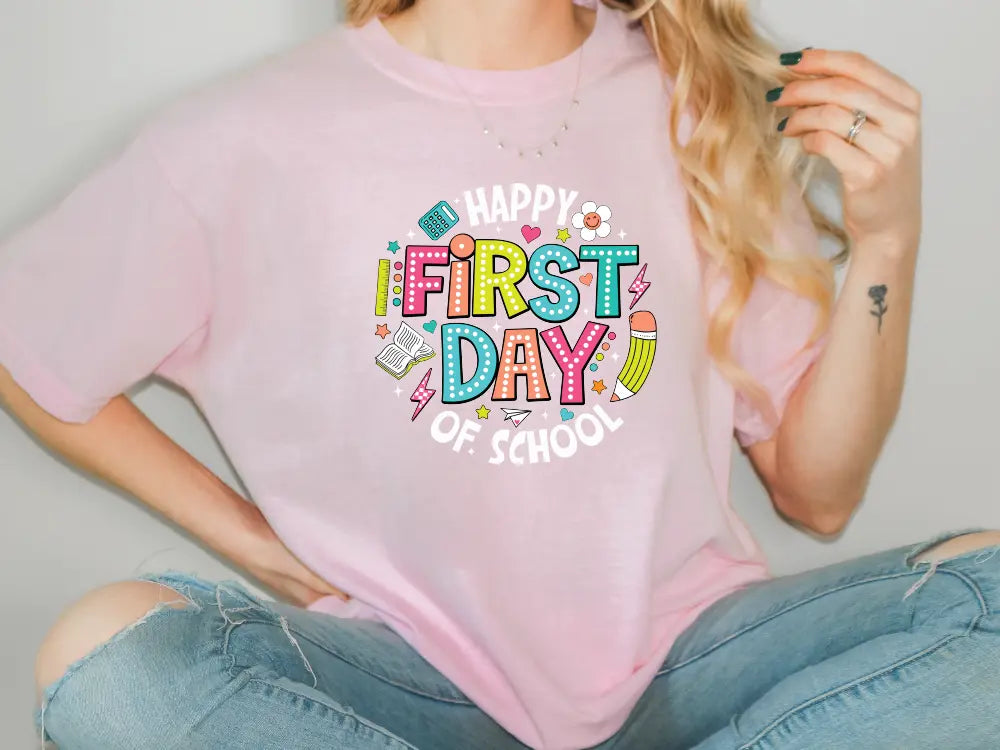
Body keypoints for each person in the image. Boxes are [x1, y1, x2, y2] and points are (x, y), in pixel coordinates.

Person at [1, 0, 997, 747]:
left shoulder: (698, 111)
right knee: (106, 656)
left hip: (695, 668)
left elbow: (818, 493)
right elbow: (26, 345)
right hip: (399, 685)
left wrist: (885, 242)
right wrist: (253, 544)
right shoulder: (242, 137)